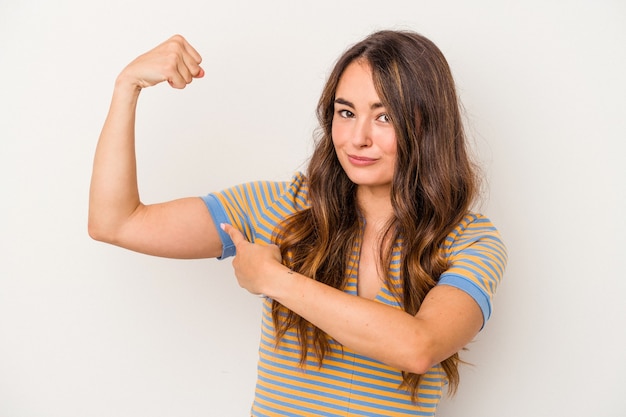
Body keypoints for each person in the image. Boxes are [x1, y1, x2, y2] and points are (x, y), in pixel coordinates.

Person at [89, 30, 507, 416]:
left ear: (428, 124)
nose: (357, 137)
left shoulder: (469, 240)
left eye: (384, 117)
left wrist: (274, 279)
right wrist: (127, 87)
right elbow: (116, 223)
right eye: (346, 112)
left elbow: (419, 347)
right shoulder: (280, 207)